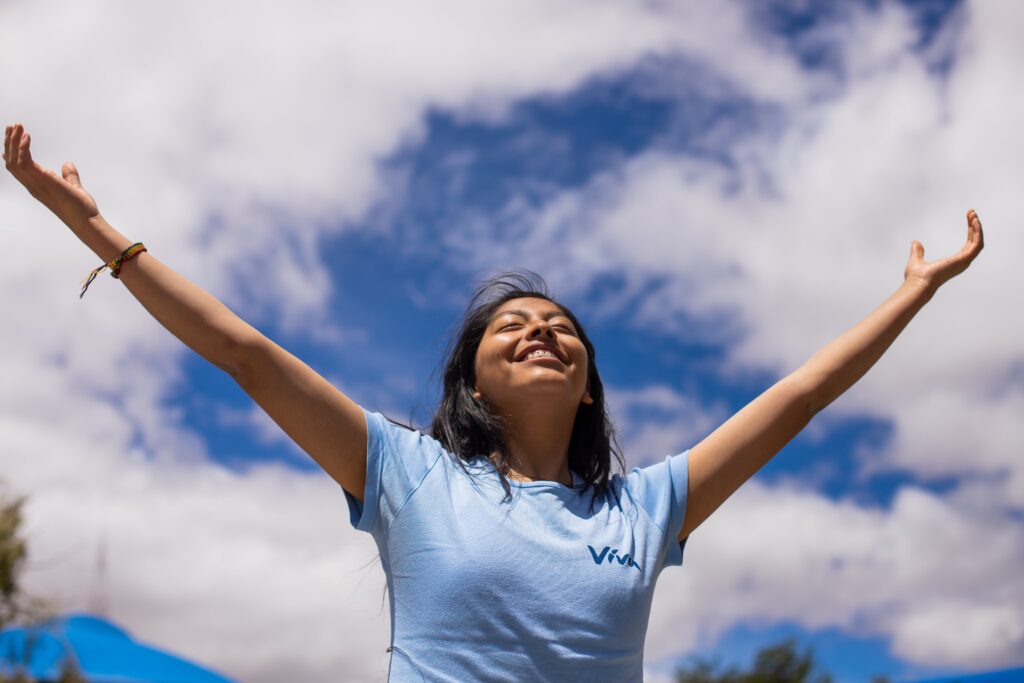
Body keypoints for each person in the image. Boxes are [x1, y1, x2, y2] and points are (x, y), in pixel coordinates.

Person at [3, 122, 984, 681]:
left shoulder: (643, 508)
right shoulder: (406, 474)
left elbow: (803, 393)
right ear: (473, 381)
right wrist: (98, 231)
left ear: (589, 381)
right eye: (511, 327)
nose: (542, 329)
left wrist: (911, 292)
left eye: (561, 326)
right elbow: (244, 354)